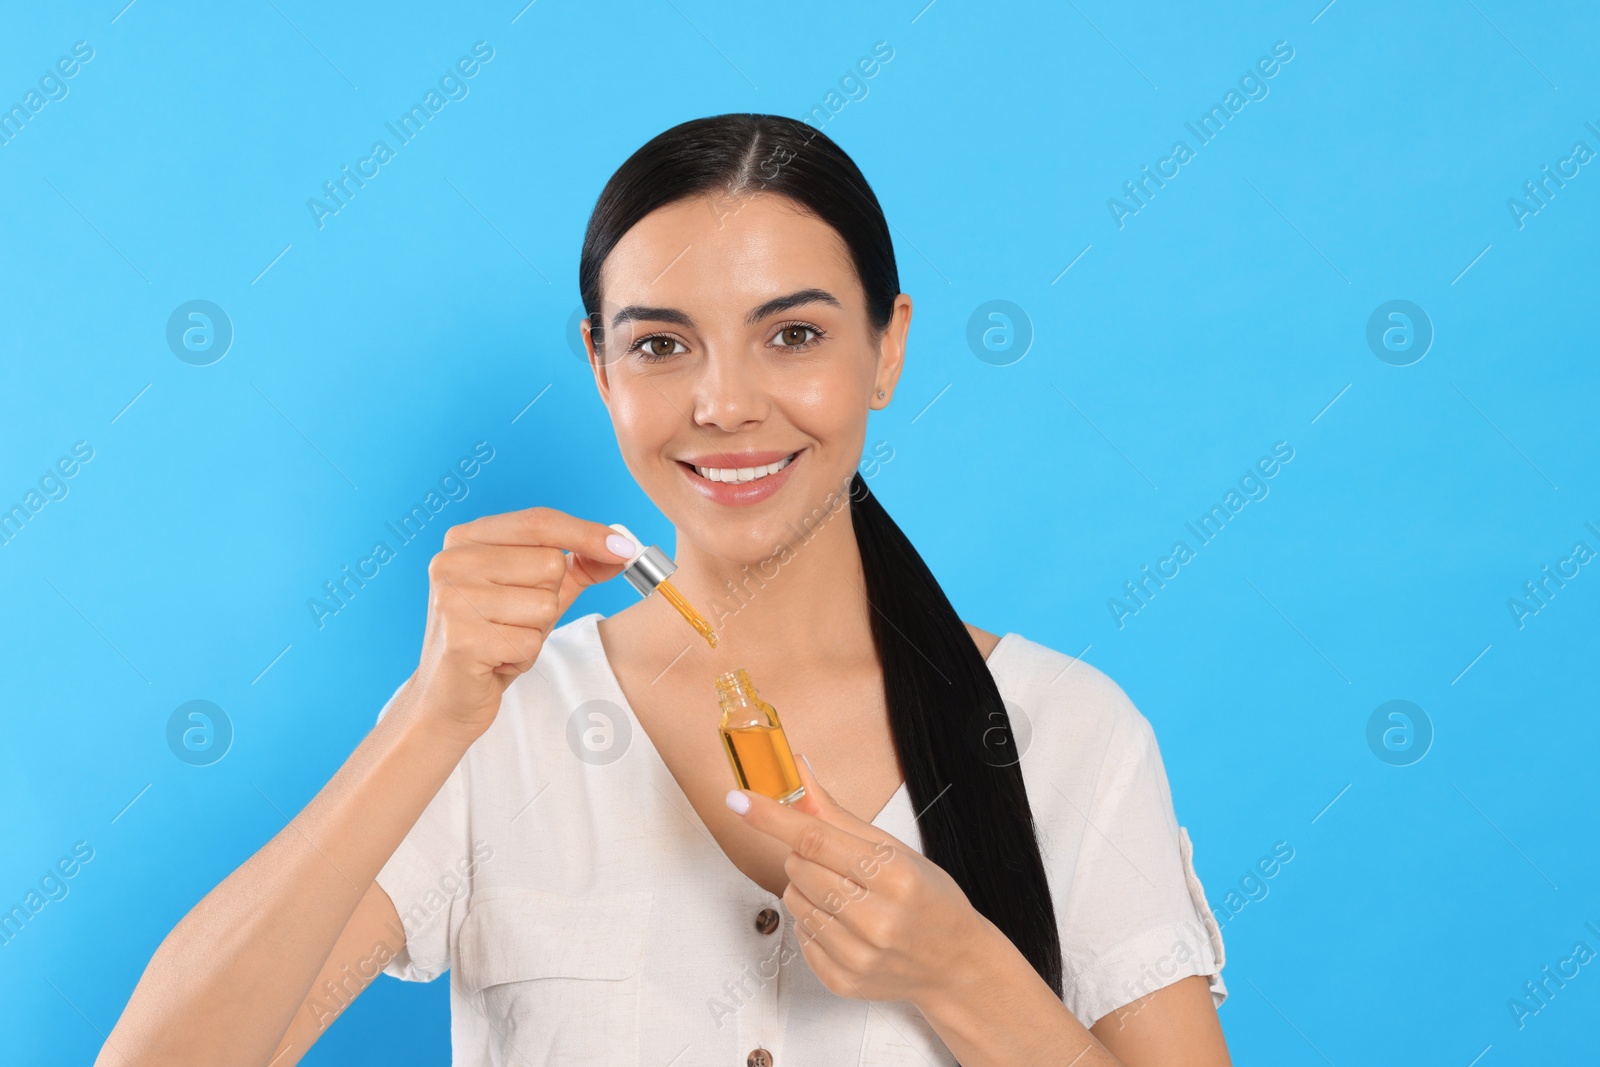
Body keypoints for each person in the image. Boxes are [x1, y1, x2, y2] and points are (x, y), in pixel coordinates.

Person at [100, 113, 1230, 1066]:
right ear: (598, 365)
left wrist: (967, 975)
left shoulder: (1066, 733)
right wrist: (430, 717)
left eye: (793, 333)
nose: (725, 404)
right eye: (660, 346)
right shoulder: (499, 728)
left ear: (888, 349)